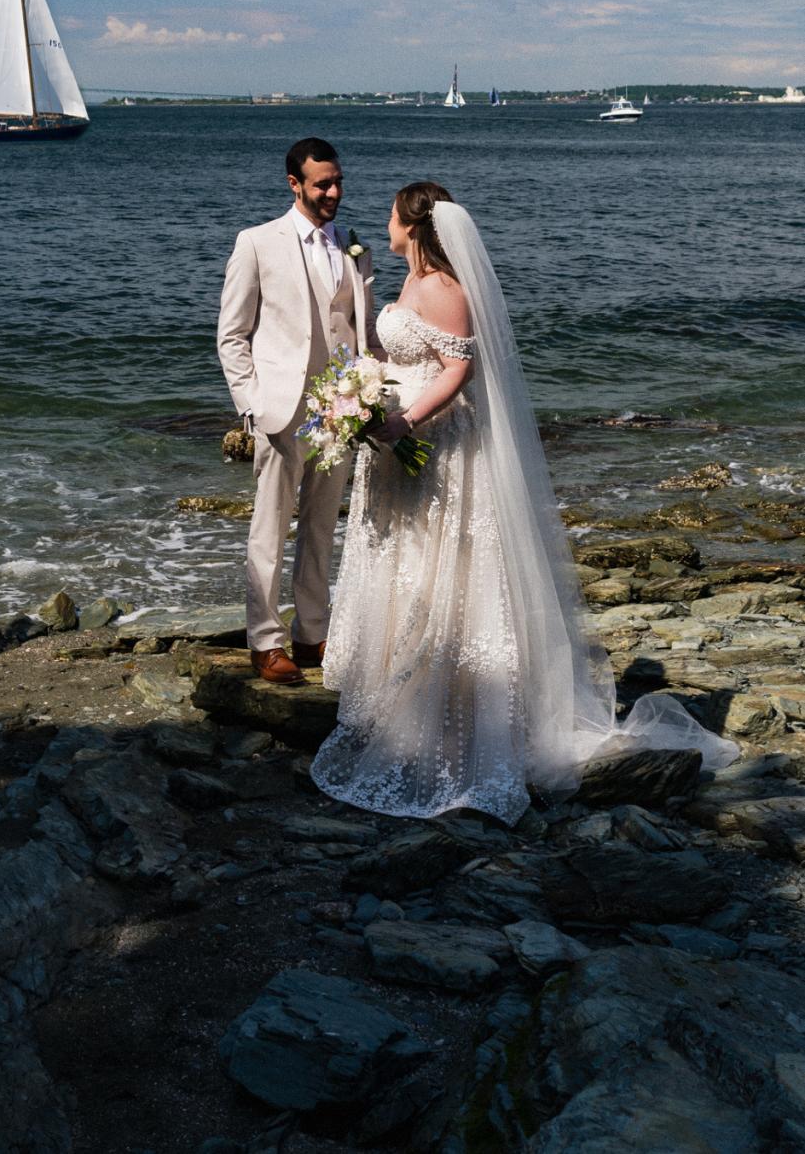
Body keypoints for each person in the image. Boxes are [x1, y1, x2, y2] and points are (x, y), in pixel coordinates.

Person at [311, 181, 737, 820]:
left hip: (437, 447)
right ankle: (400, 702)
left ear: (414, 225)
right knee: (405, 566)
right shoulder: (410, 281)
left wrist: (402, 423)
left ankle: (452, 719)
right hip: (402, 447)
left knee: (442, 572)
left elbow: (458, 370)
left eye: (392, 216)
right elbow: (411, 352)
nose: (385, 223)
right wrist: (361, 390)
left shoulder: (444, 289)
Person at [217, 137, 378, 684]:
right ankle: (265, 641)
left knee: (319, 529)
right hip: (280, 411)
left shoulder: (355, 248)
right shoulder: (257, 243)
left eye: (337, 181)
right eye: (322, 184)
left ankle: (312, 635)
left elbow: (362, 332)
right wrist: (253, 405)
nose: (333, 192)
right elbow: (232, 337)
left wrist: (372, 391)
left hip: (341, 413)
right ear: (294, 185)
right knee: (268, 531)